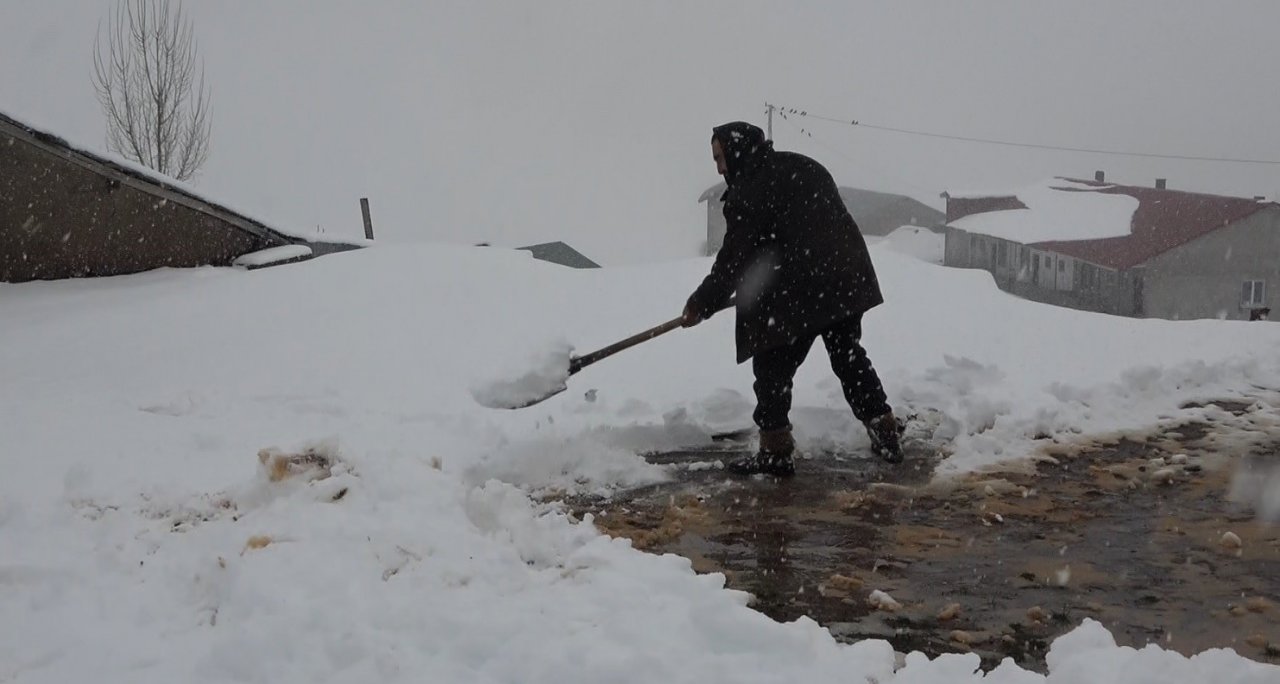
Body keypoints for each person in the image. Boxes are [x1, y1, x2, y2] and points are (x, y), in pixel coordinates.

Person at [682, 121, 902, 476]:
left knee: (771, 367)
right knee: (847, 355)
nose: (720, 168)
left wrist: (701, 303)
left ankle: (775, 451)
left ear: (736, 151)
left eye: (720, 158)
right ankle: (885, 431)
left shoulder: (748, 190)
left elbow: (733, 259)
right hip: (843, 280)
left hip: (803, 289)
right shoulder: (802, 165)